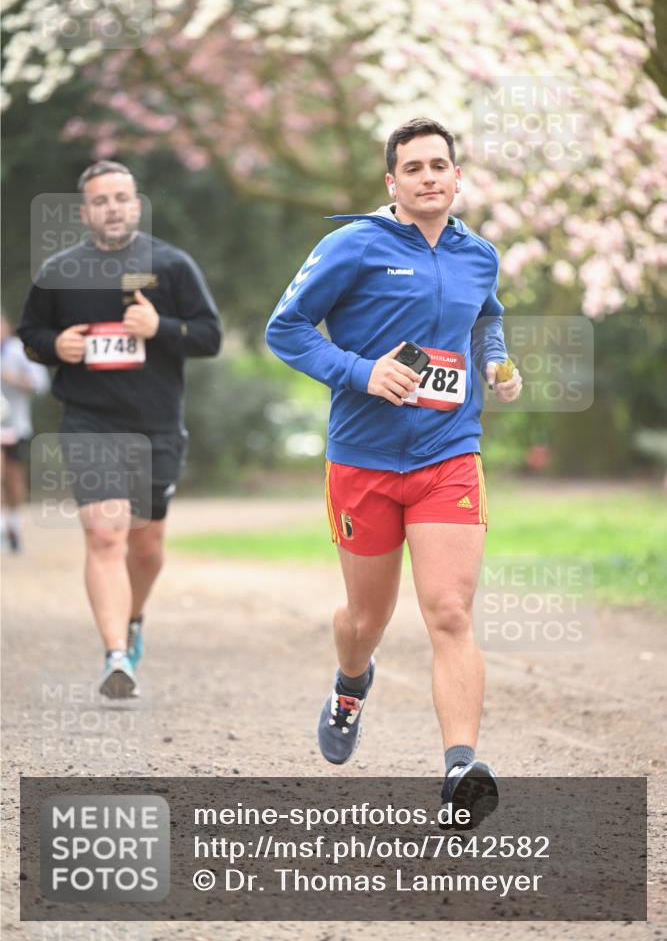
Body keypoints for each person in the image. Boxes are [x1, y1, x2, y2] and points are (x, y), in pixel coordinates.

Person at [266, 118, 522, 821]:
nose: (429, 177)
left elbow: (485, 319)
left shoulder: (478, 254)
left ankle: (459, 768)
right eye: (413, 168)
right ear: (392, 182)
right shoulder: (352, 245)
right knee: (365, 617)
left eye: (439, 165)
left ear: (457, 175)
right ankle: (350, 685)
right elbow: (283, 329)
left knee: (448, 611)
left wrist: (497, 362)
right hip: (364, 461)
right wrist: (358, 372)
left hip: (449, 454)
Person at [18, 161, 222, 698]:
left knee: (146, 544)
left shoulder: (171, 265)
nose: (113, 207)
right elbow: (30, 334)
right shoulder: (59, 270)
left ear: (136, 205)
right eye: (101, 200)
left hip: (155, 424)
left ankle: (132, 621)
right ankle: (115, 657)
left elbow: (209, 336)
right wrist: (53, 346)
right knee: (105, 532)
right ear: (85, 212)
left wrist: (162, 328)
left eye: (122, 198)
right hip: (89, 420)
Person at [1, 312, 50, 552]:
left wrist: (14, 379)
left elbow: (40, 384)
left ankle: (13, 525)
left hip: (15, 425)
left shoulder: (21, 351)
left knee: (13, 476)